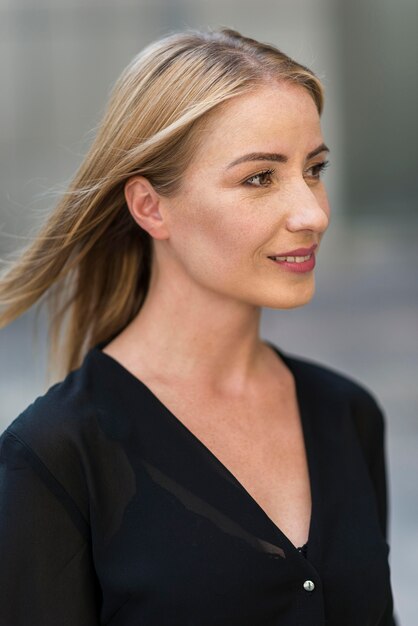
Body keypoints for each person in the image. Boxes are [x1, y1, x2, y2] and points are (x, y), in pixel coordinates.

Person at [0, 26, 397, 626]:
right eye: (259, 177)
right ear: (150, 206)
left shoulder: (347, 414)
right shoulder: (56, 456)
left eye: (314, 168)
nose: (313, 212)